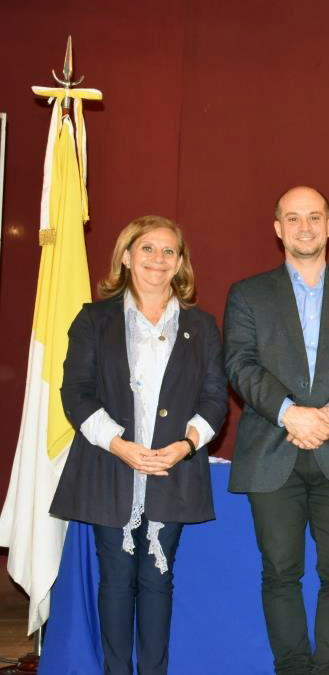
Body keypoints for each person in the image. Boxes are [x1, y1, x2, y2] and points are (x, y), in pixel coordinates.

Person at [51, 216, 228, 675]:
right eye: (147, 248)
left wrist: (186, 445)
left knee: (157, 581)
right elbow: (77, 392)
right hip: (111, 466)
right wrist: (118, 444)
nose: (158, 259)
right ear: (126, 257)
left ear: (180, 263)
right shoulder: (94, 319)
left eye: (169, 251)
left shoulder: (202, 326)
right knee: (115, 580)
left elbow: (215, 398)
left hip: (174, 469)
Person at [223, 186, 329, 674]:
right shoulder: (248, 294)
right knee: (280, 573)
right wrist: (290, 413)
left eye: (314, 217)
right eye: (293, 219)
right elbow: (239, 364)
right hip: (272, 451)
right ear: (278, 229)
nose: (305, 227)